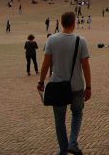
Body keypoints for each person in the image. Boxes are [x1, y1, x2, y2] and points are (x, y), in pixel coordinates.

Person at [37, 12, 91, 155]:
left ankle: (63, 150)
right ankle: (72, 142)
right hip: (77, 86)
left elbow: (46, 64)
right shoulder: (81, 41)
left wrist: (41, 81)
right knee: (77, 113)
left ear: (61, 23)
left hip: (58, 85)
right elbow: (85, 66)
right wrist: (89, 86)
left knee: (60, 121)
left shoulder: (52, 40)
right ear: (74, 23)